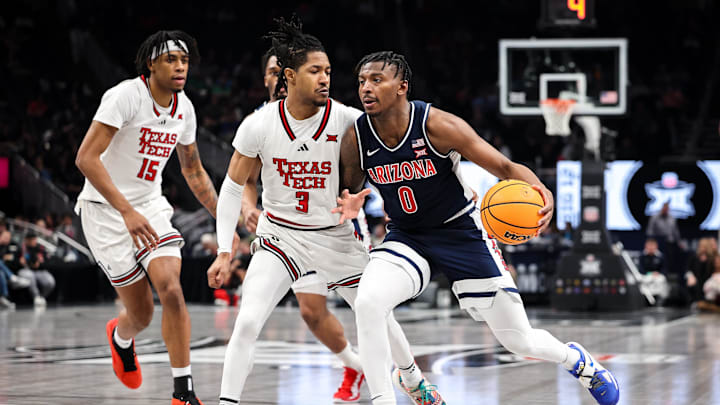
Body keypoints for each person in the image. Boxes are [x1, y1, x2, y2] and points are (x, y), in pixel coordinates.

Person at [333, 51, 620, 405]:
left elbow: (503, 164)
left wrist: (543, 191)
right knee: (369, 302)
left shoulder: (437, 125)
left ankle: (579, 363)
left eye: (377, 79)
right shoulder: (356, 138)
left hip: (461, 233)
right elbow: (348, 189)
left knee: (519, 340)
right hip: (408, 237)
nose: (366, 88)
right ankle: (388, 396)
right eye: (362, 81)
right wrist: (350, 200)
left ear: (402, 87)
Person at [207, 18, 439, 405]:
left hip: (334, 234)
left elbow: (383, 167)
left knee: (376, 311)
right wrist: (224, 251)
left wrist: (364, 195)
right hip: (281, 236)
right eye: (315, 71)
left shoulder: (348, 120)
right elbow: (232, 187)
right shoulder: (259, 124)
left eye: (328, 71)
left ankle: (412, 378)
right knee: (247, 322)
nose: (325, 78)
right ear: (290, 76)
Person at [75, 30, 237, 405]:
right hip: (105, 211)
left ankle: (183, 393)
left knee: (173, 290)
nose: (180, 66)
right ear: (151, 63)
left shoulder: (185, 109)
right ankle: (121, 337)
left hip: (149, 206)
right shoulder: (125, 96)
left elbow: (194, 173)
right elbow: (85, 158)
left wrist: (226, 218)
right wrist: (125, 211)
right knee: (142, 314)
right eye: (171, 60)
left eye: (184, 60)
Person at [234, 45, 373, 402]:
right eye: (272, 70)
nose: (277, 75)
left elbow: (360, 162)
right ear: (271, 78)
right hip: (288, 231)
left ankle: (405, 375)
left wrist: (361, 194)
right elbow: (245, 180)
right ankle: (354, 365)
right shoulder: (259, 122)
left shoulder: (334, 115)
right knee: (312, 312)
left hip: (336, 223)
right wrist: (249, 208)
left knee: (369, 307)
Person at [18, 232, 55, 307]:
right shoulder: (21, 249)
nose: (34, 241)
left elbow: (48, 263)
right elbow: (15, 261)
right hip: (25, 270)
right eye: (31, 240)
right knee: (30, 276)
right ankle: (36, 297)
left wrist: (40, 264)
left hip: (39, 271)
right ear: (26, 240)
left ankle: (42, 297)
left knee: (50, 281)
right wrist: (20, 262)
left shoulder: (40, 250)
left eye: (35, 239)